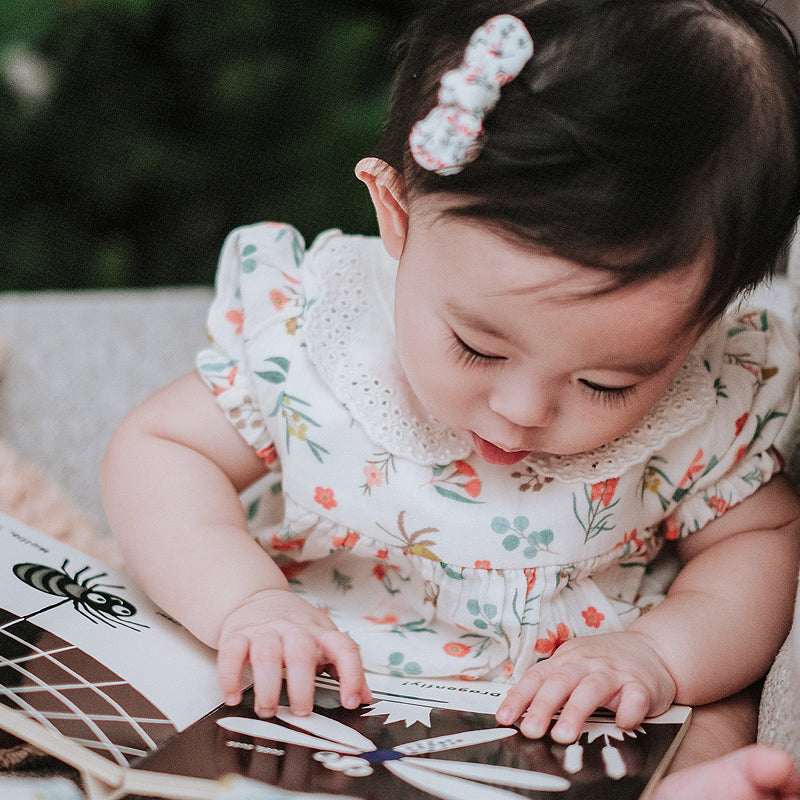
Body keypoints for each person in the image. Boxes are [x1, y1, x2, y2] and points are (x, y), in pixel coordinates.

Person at [101, 0, 800, 796]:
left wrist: (659, 656)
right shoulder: (323, 344)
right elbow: (163, 450)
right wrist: (245, 604)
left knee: (716, 710)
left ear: (708, 319)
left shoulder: (702, 399)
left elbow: (760, 539)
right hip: (315, 692)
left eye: (608, 381)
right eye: (477, 345)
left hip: (575, 721)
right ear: (397, 217)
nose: (522, 407)